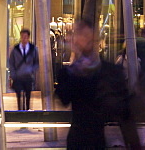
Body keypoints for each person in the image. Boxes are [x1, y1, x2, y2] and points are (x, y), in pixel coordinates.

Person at [55, 19, 139, 150]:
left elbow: (124, 112)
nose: (84, 40)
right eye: (80, 35)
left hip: (96, 138)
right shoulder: (69, 73)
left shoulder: (109, 71)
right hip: (78, 138)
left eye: (88, 37)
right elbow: (64, 98)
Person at [9, 29, 39, 110]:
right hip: (18, 76)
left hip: (28, 76)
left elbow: (36, 62)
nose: (24, 39)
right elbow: (11, 62)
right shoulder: (15, 49)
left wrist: (31, 70)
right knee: (18, 94)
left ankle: (27, 109)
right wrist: (13, 74)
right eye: (22, 37)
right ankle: (20, 109)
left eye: (25, 37)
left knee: (28, 94)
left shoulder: (33, 49)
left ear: (28, 37)